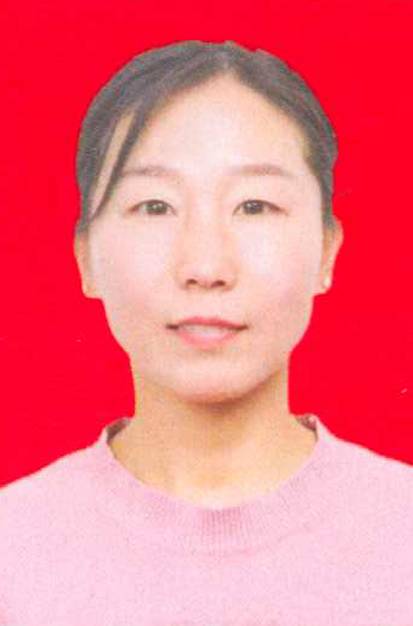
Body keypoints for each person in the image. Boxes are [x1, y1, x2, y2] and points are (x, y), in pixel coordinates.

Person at [0, 40, 412, 626]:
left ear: (327, 250)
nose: (206, 266)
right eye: (155, 207)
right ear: (85, 257)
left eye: (254, 206)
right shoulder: (13, 552)